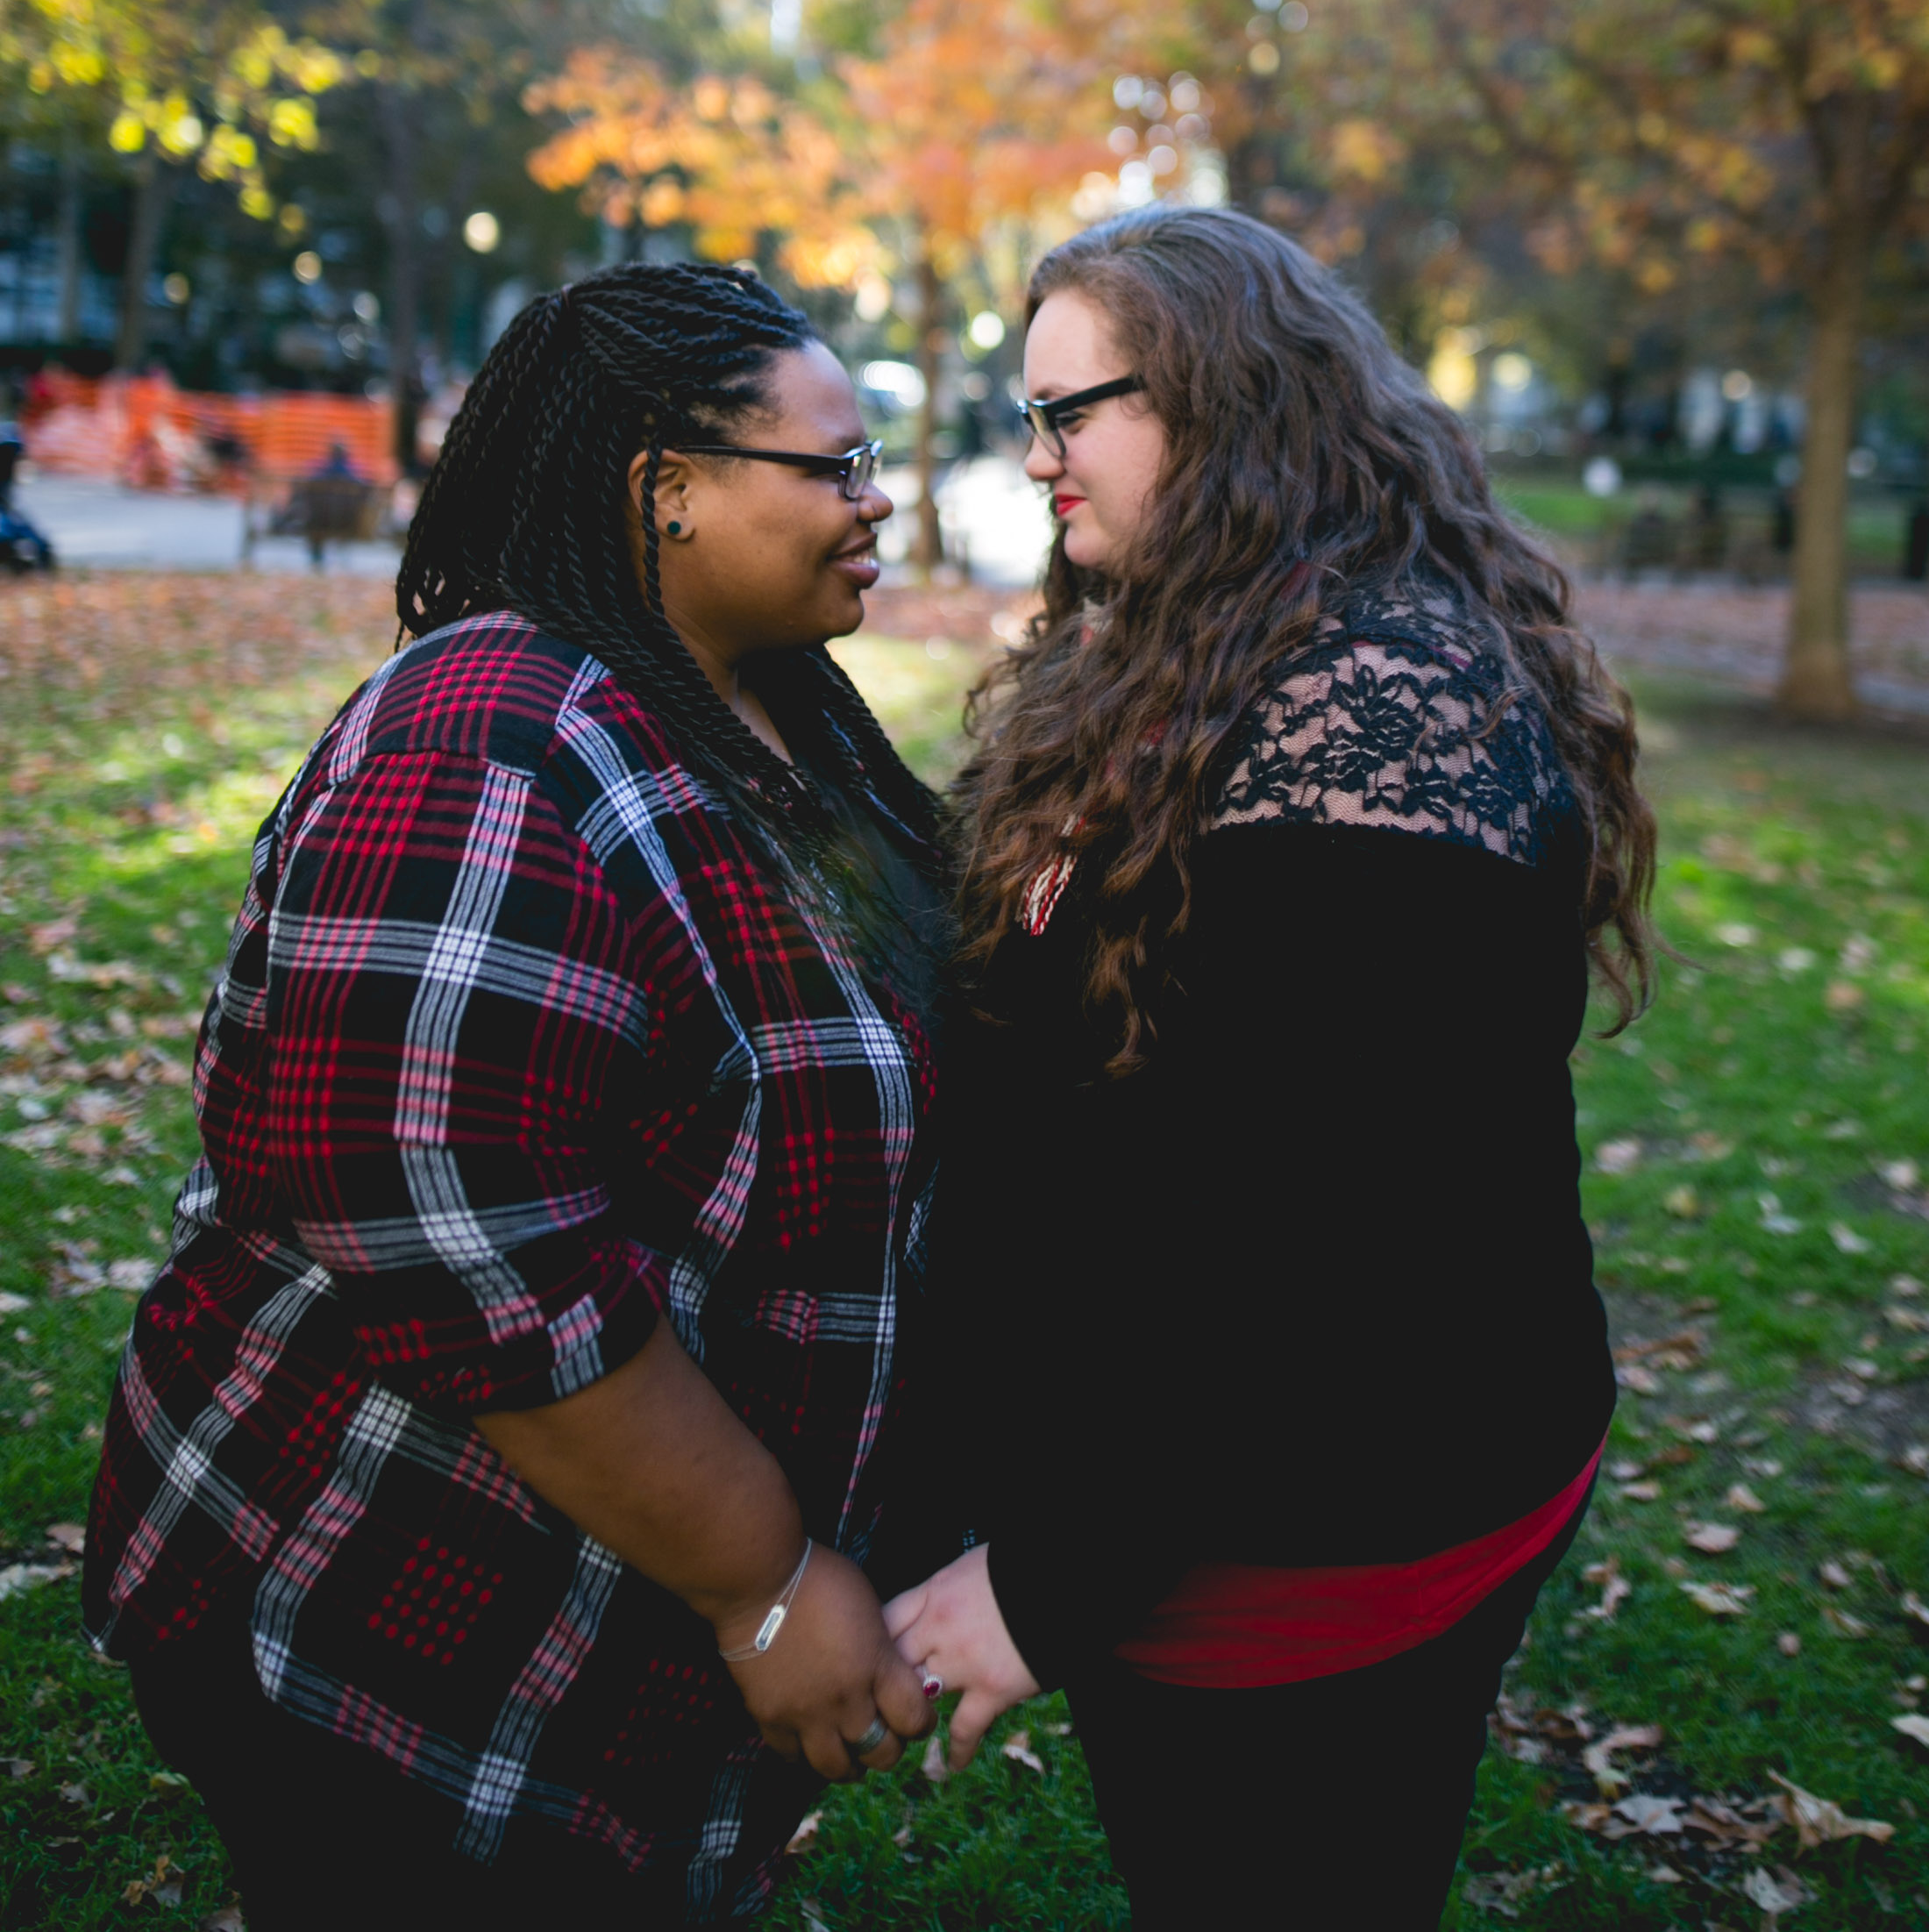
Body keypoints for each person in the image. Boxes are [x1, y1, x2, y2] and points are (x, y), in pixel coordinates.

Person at [84, 262, 945, 1930]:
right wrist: (765, 1586)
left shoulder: (761, 706)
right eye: (831, 464)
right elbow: (461, 1246)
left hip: (606, 1661)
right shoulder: (492, 733)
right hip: (398, 1623)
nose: (877, 495)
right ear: (665, 488)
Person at [886, 206, 1653, 1930]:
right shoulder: (1198, 630)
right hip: (1200, 1487)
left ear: (1223, 401)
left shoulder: (1380, 716)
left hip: (1323, 1524)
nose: (1038, 461)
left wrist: (1053, 1586)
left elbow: (1325, 1242)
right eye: (1029, 417)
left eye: (1068, 412)